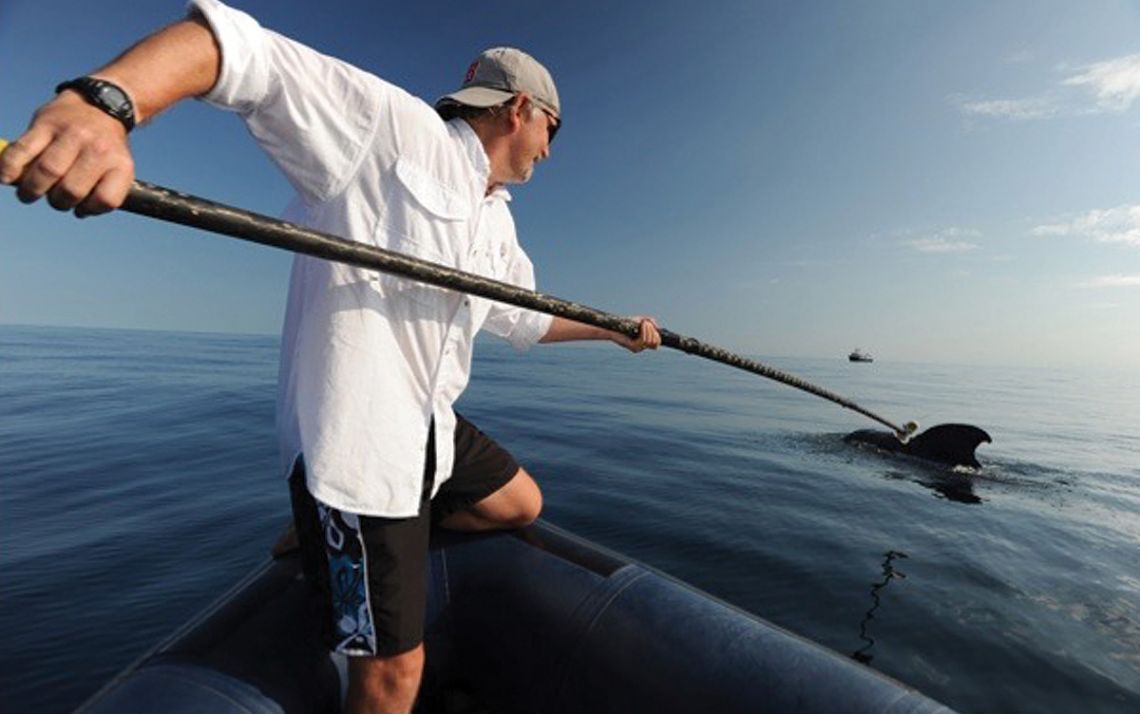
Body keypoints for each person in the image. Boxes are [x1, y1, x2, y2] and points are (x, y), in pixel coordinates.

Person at [0, 1, 661, 712]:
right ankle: (323, 523)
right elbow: (230, 46)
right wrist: (104, 104)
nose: (550, 150)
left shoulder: (496, 217)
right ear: (519, 109)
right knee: (393, 676)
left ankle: (319, 540)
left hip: (429, 431)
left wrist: (614, 329)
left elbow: (523, 317)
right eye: (550, 130)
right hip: (360, 454)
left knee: (522, 503)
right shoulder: (395, 132)